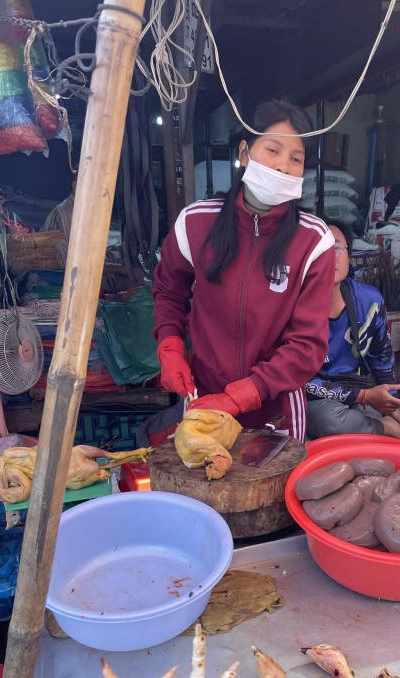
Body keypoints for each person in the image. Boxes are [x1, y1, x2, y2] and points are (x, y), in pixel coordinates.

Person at [152, 99, 335, 441]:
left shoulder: (314, 241)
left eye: (296, 159)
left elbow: (307, 344)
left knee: (275, 477)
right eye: (273, 150)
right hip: (204, 398)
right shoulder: (196, 222)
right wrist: (171, 347)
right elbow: (169, 291)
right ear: (245, 153)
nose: (283, 167)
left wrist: (241, 396)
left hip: (276, 408)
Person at [305, 220, 400, 442]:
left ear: (348, 255)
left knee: (367, 417)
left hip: (354, 393)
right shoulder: (293, 305)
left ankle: (377, 424)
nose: (329, 256)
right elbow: (296, 380)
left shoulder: (368, 301)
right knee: (328, 420)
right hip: (312, 398)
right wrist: (365, 396)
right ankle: (383, 427)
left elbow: (382, 357)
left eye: (336, 248)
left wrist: (390, 403)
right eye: (319, 249)